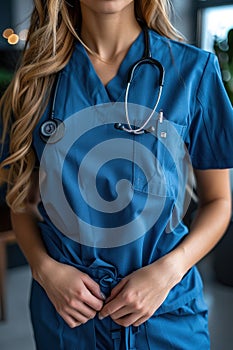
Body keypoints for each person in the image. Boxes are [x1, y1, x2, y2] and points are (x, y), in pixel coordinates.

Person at [1, 0, 233, 349]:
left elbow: (219, 201)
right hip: (68, 316)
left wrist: (167, 273)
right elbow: (22, 202)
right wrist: (44, 270)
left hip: (164, 313)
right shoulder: (35, 81)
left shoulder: (194, 71)